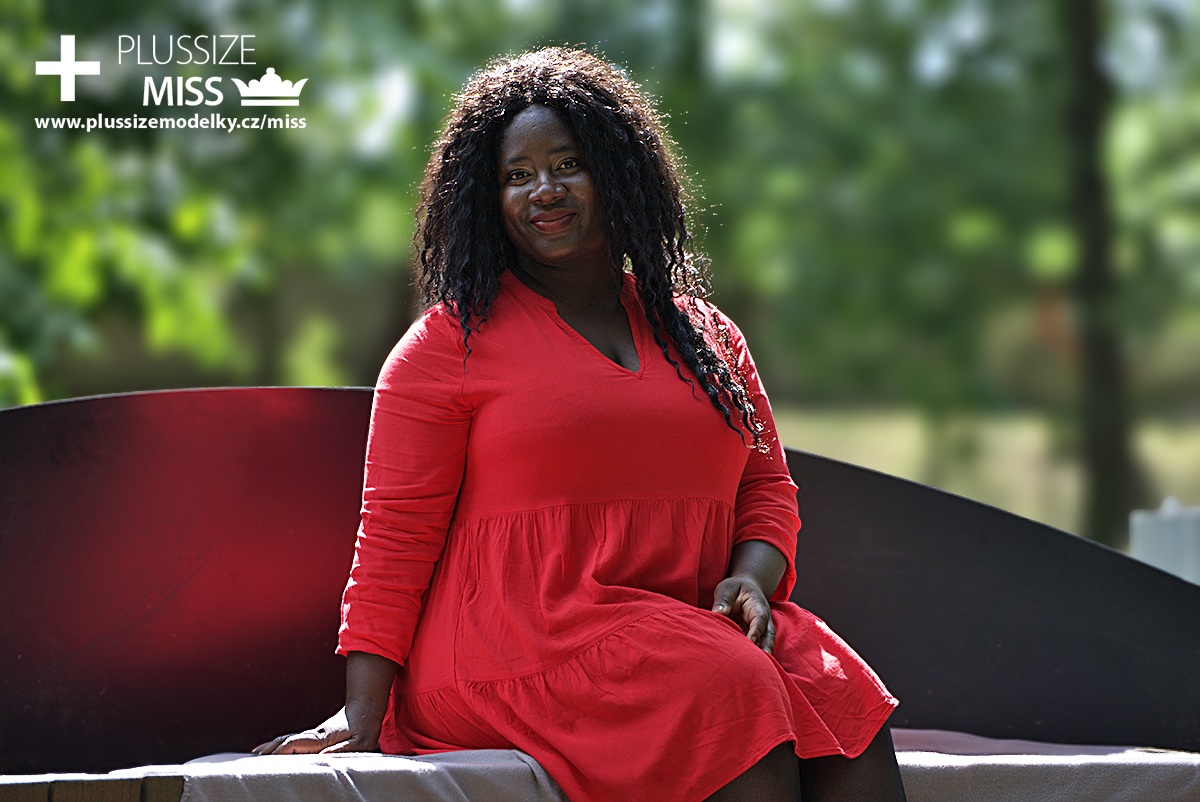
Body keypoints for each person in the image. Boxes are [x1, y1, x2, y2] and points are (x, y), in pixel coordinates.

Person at [255, 47, 908, 802]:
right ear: (487, 197)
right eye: (517, 175)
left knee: (839, 687)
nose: (545, 190)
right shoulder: (447, 345)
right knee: (728, 688)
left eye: (569, 165)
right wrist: (361, 714)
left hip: (689, 625)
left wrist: (751, 581)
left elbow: (766, 491)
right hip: (513, 650)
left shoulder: (706, 336)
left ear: (618, 173)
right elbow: (395, 536)